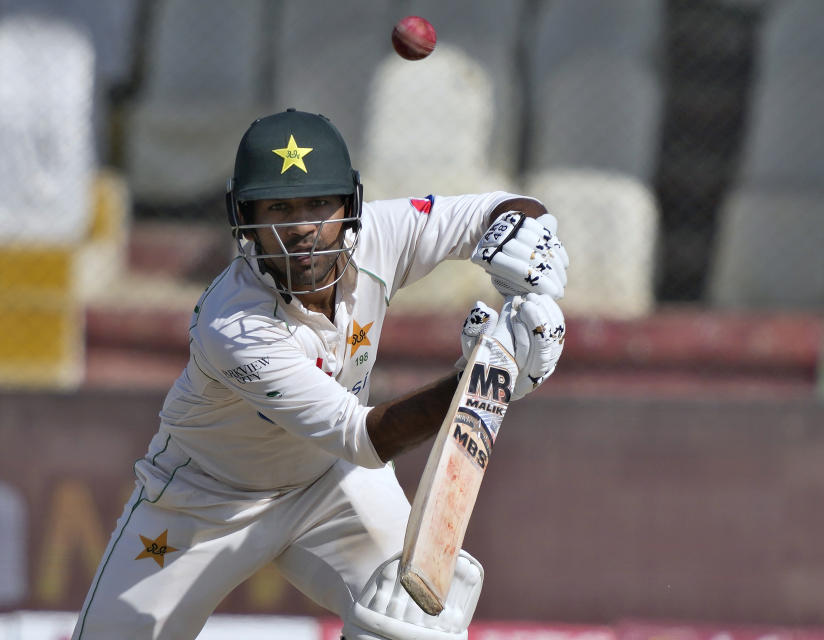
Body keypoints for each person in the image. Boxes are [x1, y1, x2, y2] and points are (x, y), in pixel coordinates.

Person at [72, 109, 569, 640]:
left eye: (318, 204)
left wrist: (526, 239)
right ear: (245, 217)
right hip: (201, 503)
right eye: (279, 208)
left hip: (328, 483)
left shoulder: (381, 233)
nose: (303, 227)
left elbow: (496, 210)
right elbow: (361, 436)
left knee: (411, 623)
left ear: (349, 206)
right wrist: (485, 378)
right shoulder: (233, 324)